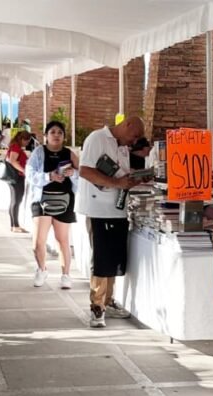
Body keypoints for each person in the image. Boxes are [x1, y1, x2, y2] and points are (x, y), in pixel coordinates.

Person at [76, 115, 147, 328]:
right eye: (134, 135)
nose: (134, 141)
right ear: (126, 125)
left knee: (114, 259)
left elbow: (121, 175)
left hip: (118, 210)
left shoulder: (123, 147)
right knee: (101, 258)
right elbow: (85, 170)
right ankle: (96, 307)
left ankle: (107, 300)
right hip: (99, 210)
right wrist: (117, 182)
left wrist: (135, 178)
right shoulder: (97, 138)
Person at [27, 120, 79, 289]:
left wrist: (73, 173)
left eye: (60, 133)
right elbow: (30, 174)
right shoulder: (38, 152)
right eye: (53, 132)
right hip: (41, 200)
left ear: (64, 136)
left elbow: (81, 176)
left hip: (64, 200)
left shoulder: (70, 154)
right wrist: (48, 177)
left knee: (62, 240)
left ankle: (66, 275)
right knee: (38, 241)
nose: (56, 135)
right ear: (46, 136)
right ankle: (41, 270)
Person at [6, 130, 32, 233]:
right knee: (16, 201)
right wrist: (24, 170)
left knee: (14, 201)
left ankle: (14, 225)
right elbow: (13, 161)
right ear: (22, 139)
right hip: (17, 176)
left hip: (16, 176)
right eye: (27, 141)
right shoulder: (16, 147)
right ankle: (15, 225)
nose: (27, 143)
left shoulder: (14, 146)